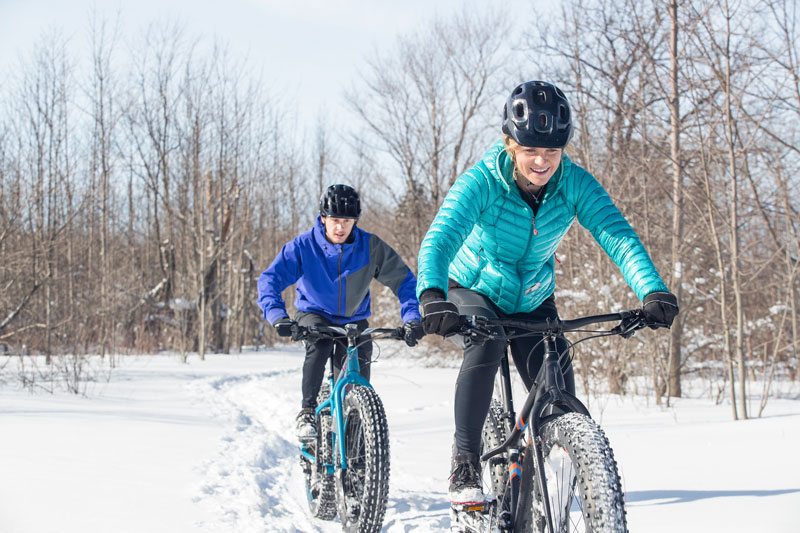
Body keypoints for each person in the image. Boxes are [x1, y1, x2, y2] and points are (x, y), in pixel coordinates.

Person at [415, 81, 679, 505]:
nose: (541, 162)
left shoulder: (574, 184)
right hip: (473, 288)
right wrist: (431, 294)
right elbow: (440, 238)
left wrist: (652, 289)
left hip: (534, 296)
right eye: (530, 151)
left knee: (559, 394)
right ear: (510, 144)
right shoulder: (482, 180)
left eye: (551, 153)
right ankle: (464, 461)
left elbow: (617, 236)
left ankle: (554, 478)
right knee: (487, 346)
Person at [258, 184, 424, 441]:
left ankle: (355, 436)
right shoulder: (303, 246)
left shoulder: (370, 247)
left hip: (354, 318)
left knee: (357, 372)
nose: (340, 228)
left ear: (355, 221)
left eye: (347, 221)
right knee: (320, 344)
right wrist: (278, 317)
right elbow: (270, 280)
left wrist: (412, 318)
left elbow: (405, 282)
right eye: (335, 220)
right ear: (323, 218)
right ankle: (307, 410)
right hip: (314, 312)